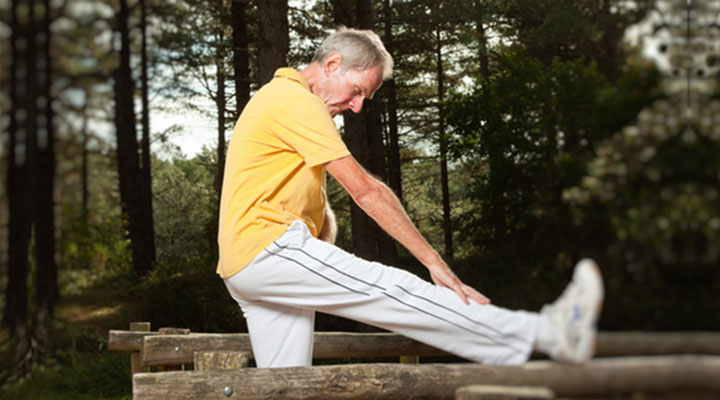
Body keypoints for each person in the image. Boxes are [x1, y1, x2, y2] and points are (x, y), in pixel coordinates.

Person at [217, 27, 604, 368]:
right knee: (397, 291)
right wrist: (433, 262)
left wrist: (317, 241)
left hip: (244, 266)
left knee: (287, 385)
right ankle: (550, 333)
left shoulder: (280, 100)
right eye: (357, 91)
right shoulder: (294, 101)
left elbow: (310, 210)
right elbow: (366, 192)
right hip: (266, 250)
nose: (357, 106)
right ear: (332, 64)